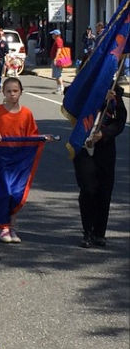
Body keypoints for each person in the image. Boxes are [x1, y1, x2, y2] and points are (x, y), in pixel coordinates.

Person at [0, 78, 42, 243]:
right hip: (1, 158)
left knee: (16, 194)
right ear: (3, 93)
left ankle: (12, 226)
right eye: (9, 91)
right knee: (5, 192)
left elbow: (33, 135)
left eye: (15, 91)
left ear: (21, 92)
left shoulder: (26, 113)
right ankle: (4, 227)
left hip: (19, 159)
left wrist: (42, 139)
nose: (12, 94)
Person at [74, 85, 126, 248]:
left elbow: (120, 120)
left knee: (104, 190)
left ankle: (99, 233)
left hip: (105, 147)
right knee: (88, 189)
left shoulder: (114, 90)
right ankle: (87, 231)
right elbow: (75, 110)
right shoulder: (79, 88)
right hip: (83, 145)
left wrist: (104, 133)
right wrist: (100, 101)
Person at [49, 29, 65, 94]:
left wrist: (56, 58)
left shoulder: (58, 40)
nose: (52, 35)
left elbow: (59, 49)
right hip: (56, 59)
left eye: (53, 34)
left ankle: (61, 88)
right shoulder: (57, 40)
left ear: (56, 35)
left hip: (58, 60)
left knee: (58, 74)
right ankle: (58, 88)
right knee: (56, 74)